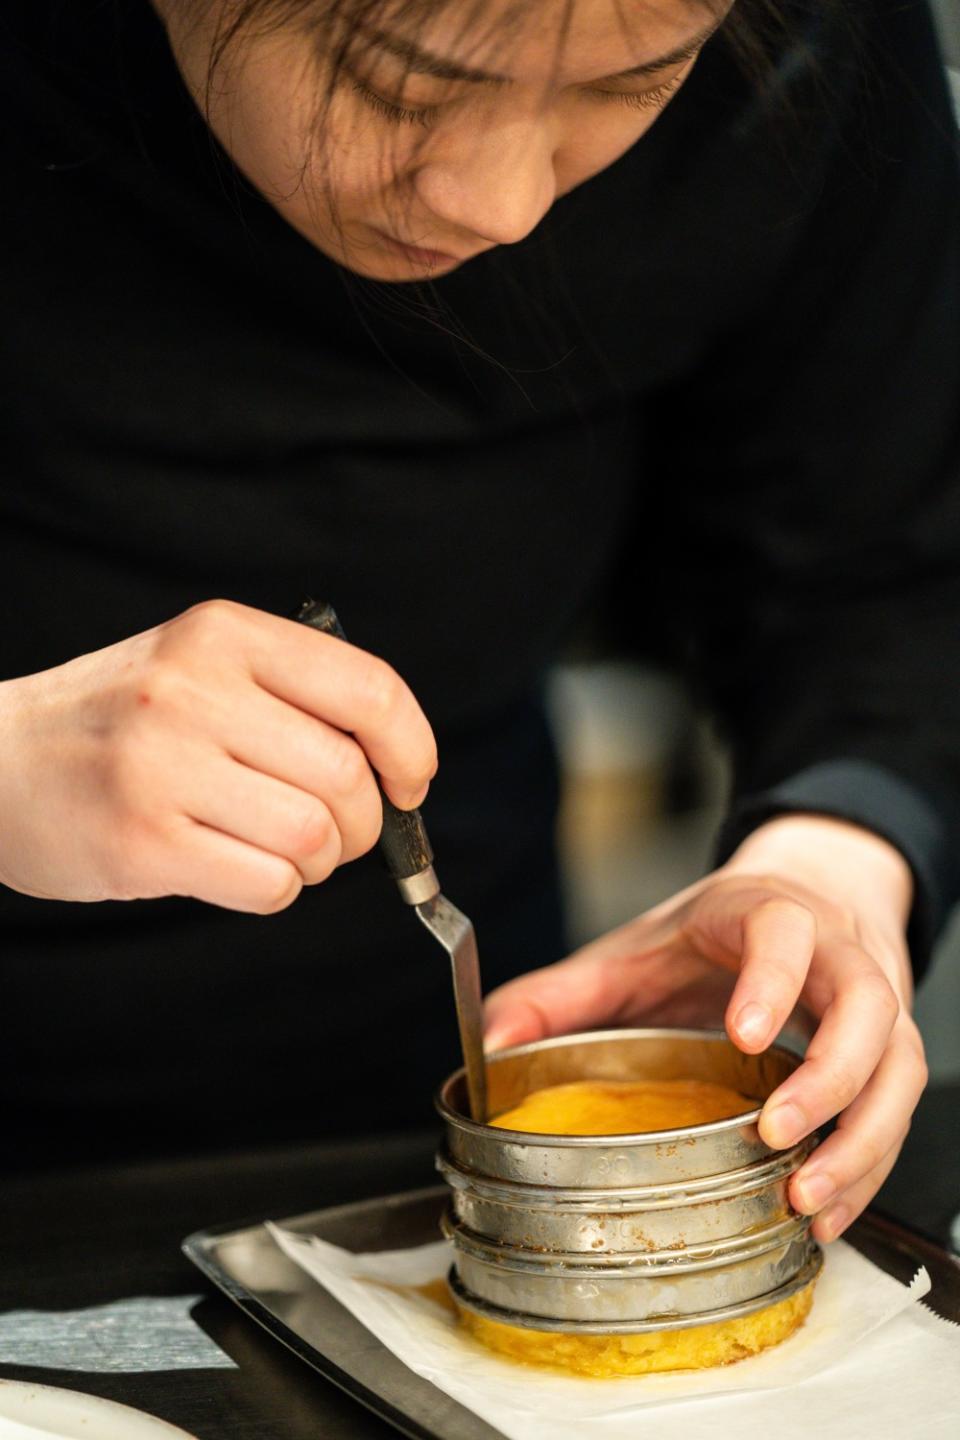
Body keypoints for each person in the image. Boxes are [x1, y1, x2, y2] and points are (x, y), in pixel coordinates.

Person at [0, 0, 957, 1248]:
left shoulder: (813, 39)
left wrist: (832, 859)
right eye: (405, 84)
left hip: (423, 1123)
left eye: (635, 79)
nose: (500, 204)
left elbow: (882, 561)